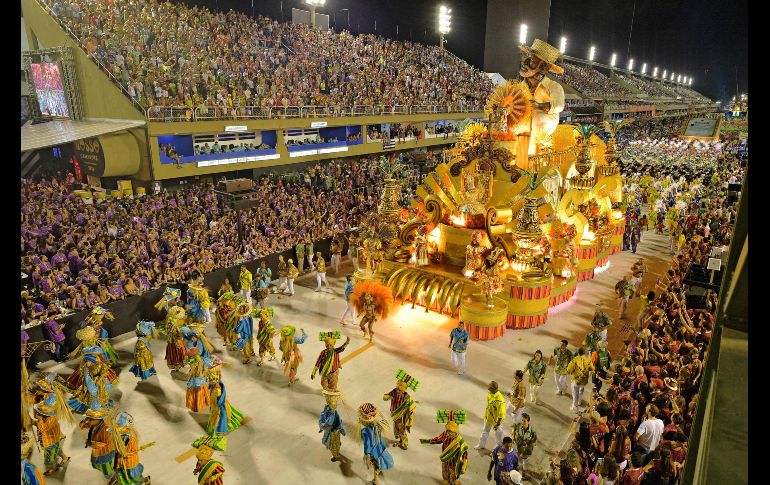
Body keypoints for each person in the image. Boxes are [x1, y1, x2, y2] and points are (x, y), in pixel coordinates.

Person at [420, 409, 469, 485]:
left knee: (454, 476)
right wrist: (425, 441)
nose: (449, 433)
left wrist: (464, 465)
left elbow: (464, 453)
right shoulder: (445, 434)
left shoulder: (460, 441)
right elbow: (437, 440)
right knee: (445, 472)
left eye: (451, 432)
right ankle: (446, 481)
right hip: (445, 460)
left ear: (455, 431)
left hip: (454, 463)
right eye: (448, 431)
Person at [108, 411, 151, 485]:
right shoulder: (118, 439)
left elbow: (135, 451)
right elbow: (117, 452)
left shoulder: (131, 440)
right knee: (122, 477)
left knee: (132, 479)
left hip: (130, 464)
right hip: (121, 463)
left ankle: (145, 480)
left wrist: (126, 454)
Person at [382, 369, 419, 450]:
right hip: (394, 415)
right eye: (398, 389)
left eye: (400, 391)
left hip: (402, 417)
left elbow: (412, 405)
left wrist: (410, 411)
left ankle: (405, 443)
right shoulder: (394, 391)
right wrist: (388, 397)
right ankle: (401, 441)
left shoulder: (406, 396)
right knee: (397, 428)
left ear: (404, 390)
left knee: (401, 429)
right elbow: (385, 396)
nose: (398, 392)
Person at [358, 402, 394, 485]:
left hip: (373, 452)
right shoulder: (377, 425)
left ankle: (375, 479)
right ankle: (378, 471)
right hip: (380, 447)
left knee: (375, 464)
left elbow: (367, 445)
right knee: (379, 461)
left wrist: (367, 455)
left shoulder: (365, 431)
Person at [79, 404, 115, 480]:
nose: (88, 420)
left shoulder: (106, 428)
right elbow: (82, 427)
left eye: (90, 418)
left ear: (98, 419)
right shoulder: (94, 423)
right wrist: (84, 421)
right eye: (88, 418)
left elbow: (106, 444)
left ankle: (113, 478)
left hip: (105, 452)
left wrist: (92, 444)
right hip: (97, 450)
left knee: (106, 468)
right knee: (96, 464)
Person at [476, 381, 506, 451]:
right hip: (488, 417)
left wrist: (497, 424)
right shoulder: (490, 393)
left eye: (490, 389)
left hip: (497, 421)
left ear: (494, 389)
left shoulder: (500, 400)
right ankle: (481, 445)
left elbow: (501, 414)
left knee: (498, 435)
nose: (488, 390)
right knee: (485, 431)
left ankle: (497, 449)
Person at [319, 389, 346, 462]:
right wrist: (323, 426)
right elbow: (322, 420)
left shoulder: (334, 412)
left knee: (333, 445)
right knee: (328, 441)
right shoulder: (326, 411)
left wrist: (340, 428)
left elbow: (338, 421)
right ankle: (336, 448)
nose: (331, 410)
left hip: (335, 431)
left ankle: (335, 455)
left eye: (332, 409)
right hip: (329, 431)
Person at [566, 347, 594, 412]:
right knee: (581, 389)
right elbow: (592, 368)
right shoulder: (588, 360)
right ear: (584, 353)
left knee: (575, 393)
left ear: (578, 352)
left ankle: (575, 408)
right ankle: (579, 401)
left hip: (575, 380)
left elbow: (569, 370)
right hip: (584, 380)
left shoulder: (575, 359)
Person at [185, 347, 211, 412]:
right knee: (201, 390)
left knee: (196, 392)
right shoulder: (198, 358)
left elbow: (192, 370)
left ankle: (197, 406)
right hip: (200, 378)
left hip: (196, 378)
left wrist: (189, 376)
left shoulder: (195, 361)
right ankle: (201, 404)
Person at [511, 413, 537, 477]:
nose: (522, 422)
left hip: (526, 449)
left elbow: (534, 441)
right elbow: (514, 428)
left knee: (525, 461)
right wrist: (513, 437)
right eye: (522, 420)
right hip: (518, 446)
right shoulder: (518, 425)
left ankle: (524, 472)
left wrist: (528, 444)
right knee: (518, 457)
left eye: (524, 421)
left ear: (528, 421)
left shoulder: (532, 431)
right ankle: (518, 467)